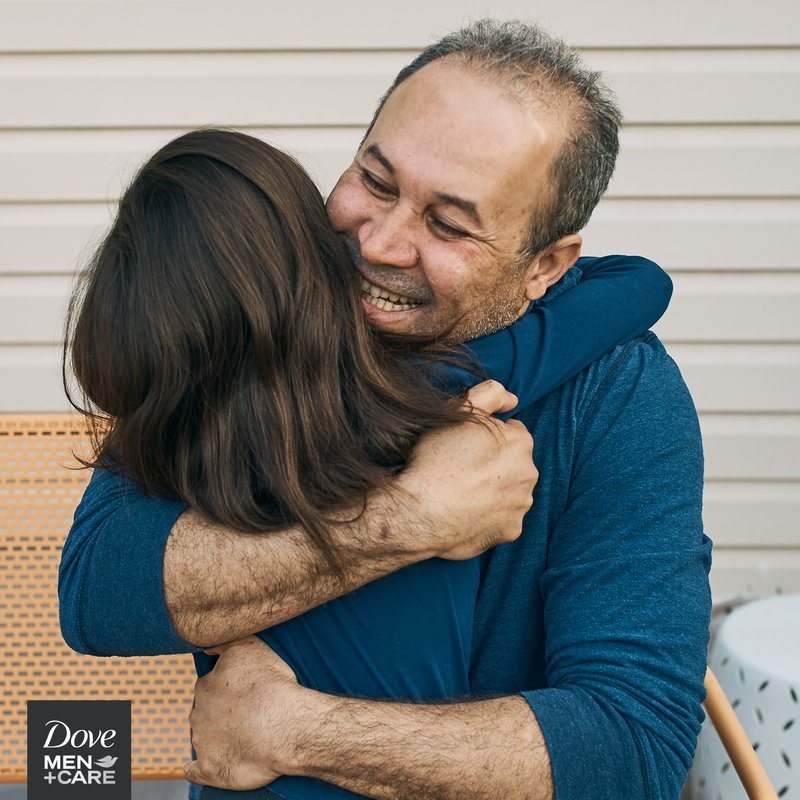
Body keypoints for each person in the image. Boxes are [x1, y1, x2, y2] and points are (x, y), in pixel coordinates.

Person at [59, 19, 711, 800]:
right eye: (375, 178)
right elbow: (99, 592)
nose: (381, 244)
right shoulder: (265, 312)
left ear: (545, 267)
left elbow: (632, 751)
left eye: (447, 224)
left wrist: (293, 730)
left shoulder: (619, 397)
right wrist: (410, 516)